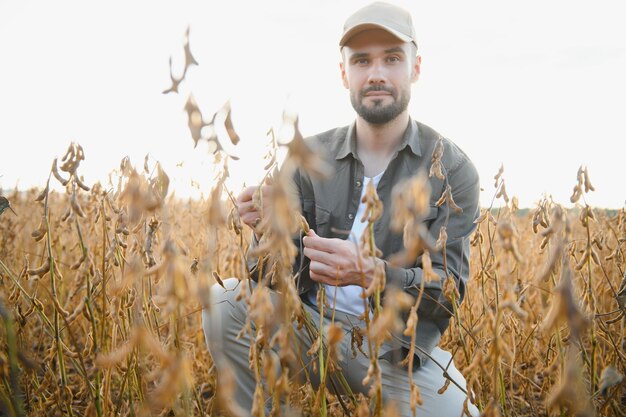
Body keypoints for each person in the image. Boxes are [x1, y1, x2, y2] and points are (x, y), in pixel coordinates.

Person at [203, 2, 480, 415]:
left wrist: (374, 273)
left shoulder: (454, 170)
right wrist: (269, 233)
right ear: (343, 73)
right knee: (223, 302)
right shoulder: (306, 157)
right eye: (362, 60)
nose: (376, 74)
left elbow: (449, 295)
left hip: (397, 356)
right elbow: (264, 278)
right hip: (309, 331)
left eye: (392, 59)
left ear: (416, 68)